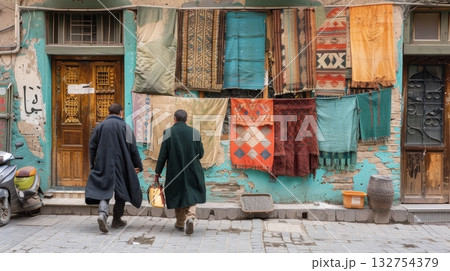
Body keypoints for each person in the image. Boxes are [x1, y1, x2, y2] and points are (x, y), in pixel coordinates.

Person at [85, 103, 143, 233]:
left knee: (103, 189)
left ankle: (103, 214)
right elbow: (133, 149)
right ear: (121, 113)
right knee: (121, 192)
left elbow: (92, 146)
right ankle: (117, 219)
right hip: (122, 164)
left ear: (108, 112)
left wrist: (94, 164)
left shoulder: (100, 127)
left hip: (103, 163)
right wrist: (137, 165)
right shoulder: (126, 127)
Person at [155, 109, 206, 235]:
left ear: (175, 119)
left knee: (177, 193)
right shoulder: (194, 132)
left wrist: (157, 173)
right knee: (193, 192)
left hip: (174, 170)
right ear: (186, 119)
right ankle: (190, 216)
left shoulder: (168, 132)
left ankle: (180, 223)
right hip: (193, 169)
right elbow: (200, 153)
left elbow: (162, 155)